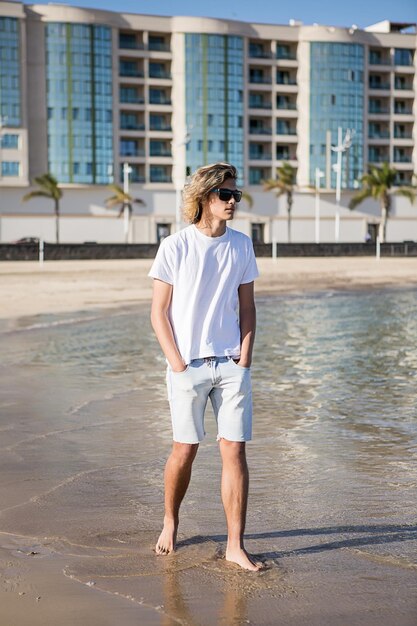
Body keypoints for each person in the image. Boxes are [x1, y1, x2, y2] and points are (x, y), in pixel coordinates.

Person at [148, 162, 261, 571]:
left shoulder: (242, 245)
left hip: (232, 364)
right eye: (225, 195)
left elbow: (248, 308)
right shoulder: (174, 246)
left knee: (235, 451)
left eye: (236, 195)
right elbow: (158, 313)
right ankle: (170, 520)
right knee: (185, 450)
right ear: (203, 198)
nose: (232, 202)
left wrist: (244, 358)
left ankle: (235, 545)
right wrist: (177, 364)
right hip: (187, 367)